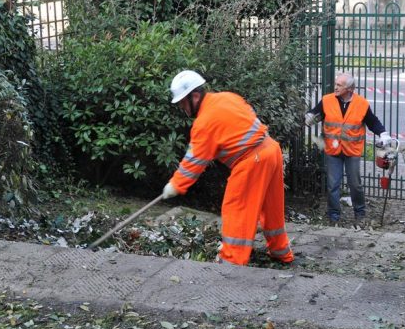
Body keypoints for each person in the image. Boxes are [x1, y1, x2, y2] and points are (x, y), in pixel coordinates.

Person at [162, 70, 294, 266]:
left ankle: (232, 262)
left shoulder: (204, 122)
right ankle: (281, 253)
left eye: (182, 102)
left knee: (236, 209)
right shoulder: (227, 97)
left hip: (252, 161)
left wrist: (175, 185)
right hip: (271, 150)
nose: (182, 107)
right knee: (272, 208)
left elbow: (194, 161)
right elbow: (247, 117)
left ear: (194, 96)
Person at [304, 73, 391, 227]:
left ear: (350, 88)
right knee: (333, 185)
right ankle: (333, 216)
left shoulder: (361, 104)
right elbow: (315, 114)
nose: (335, 87)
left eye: (339, 85)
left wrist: (383, 133)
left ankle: (360, 214)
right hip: (333, 151)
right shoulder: (327, 100)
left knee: (355, 184)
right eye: (336, 84)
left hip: (352, 151)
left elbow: (373, 122)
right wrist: (309, 117)